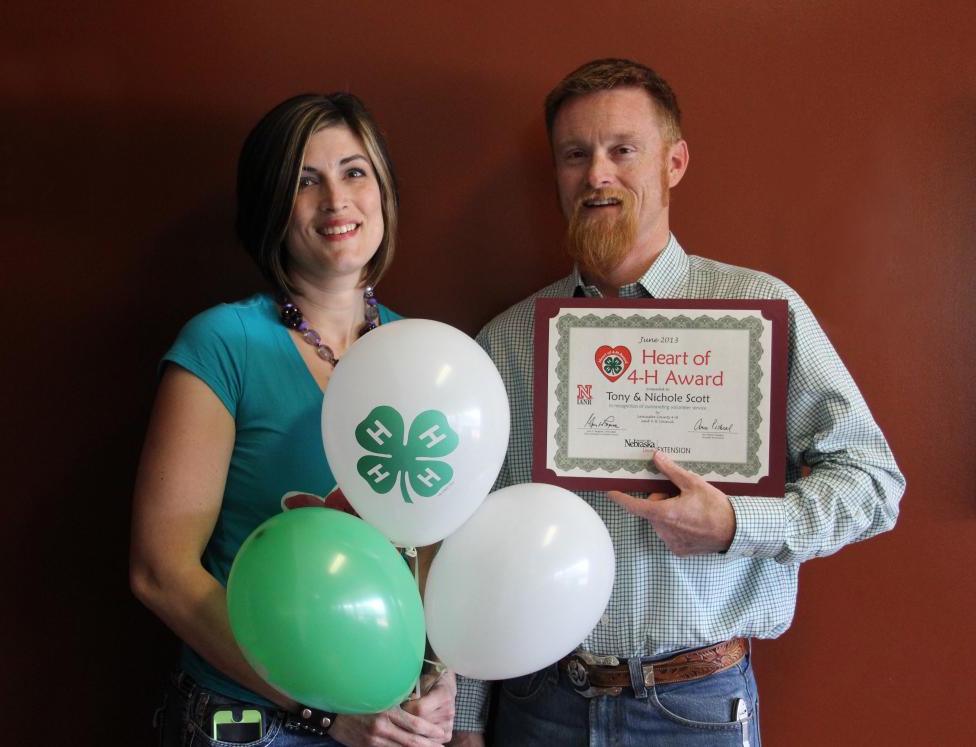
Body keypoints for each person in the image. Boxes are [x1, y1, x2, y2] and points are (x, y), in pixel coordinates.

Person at [450, 58, 905, 746]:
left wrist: (736, 523)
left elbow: (874, 484)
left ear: (675, 161)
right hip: (539, 703)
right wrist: (465, 720)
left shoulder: (760, 313)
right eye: (576, 154)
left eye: (622, 149)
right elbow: (473, 539)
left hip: (696, 709)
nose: (597, 173)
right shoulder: (507, 341)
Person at [130, 92, 456, 747]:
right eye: (306, 181)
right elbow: (159, 571)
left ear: (384, 192)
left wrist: (435, 672)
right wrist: (322, 710)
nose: (336, 199)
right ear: (271, 206)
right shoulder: (224, 343)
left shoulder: (428, 354)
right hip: (249, 722)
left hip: (381, 723)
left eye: (354, 171)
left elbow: (425, 550)